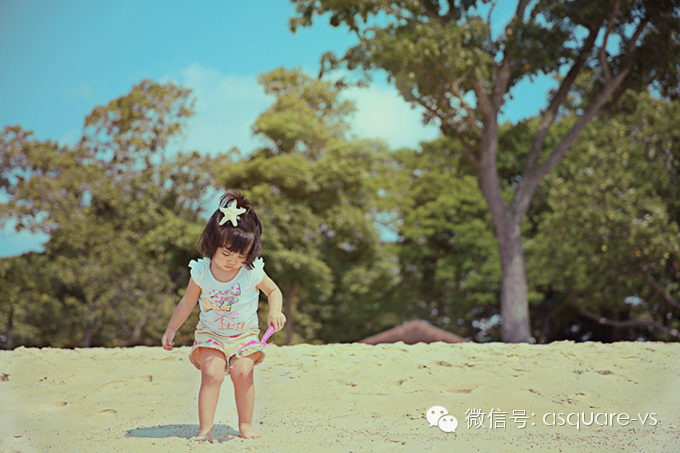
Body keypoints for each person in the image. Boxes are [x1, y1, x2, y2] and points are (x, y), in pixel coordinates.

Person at [161, 189, 286, 442]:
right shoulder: (201, 272)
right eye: (226, 253)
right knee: (212, 374)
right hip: (211, 334)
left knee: (243, 374)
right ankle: (205, 429)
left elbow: (273, 291)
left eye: (241, 255)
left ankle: (245, 425)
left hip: (244, 335)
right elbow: (187, 302)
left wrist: (275, 310)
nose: (233, 261)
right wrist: (171, 328)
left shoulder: (251, 271)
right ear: (212, 243)